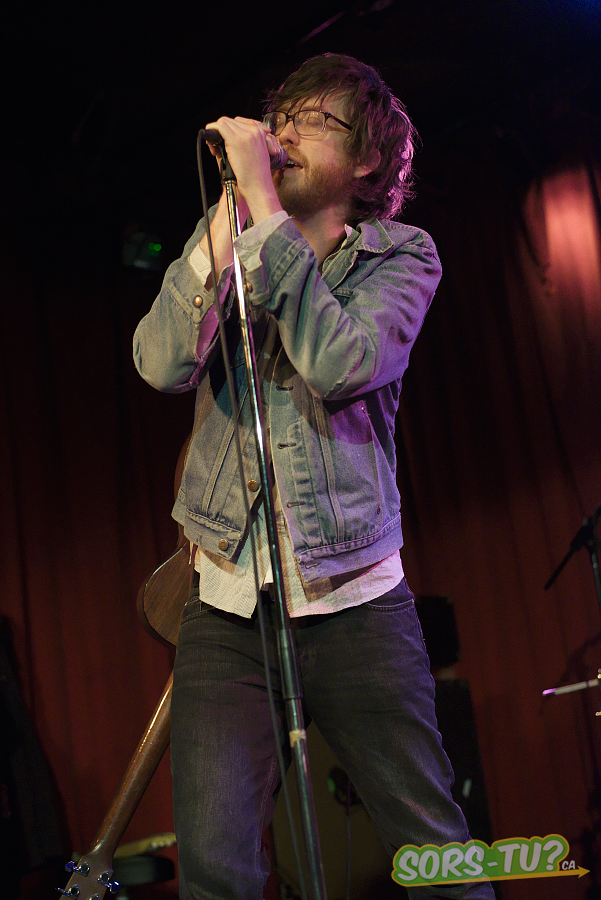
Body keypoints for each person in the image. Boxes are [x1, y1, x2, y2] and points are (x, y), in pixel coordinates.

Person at [134, 53, 494, 900]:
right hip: (226, 605)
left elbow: (339, 364)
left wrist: (263, 213)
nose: (284, 133)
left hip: (354, 601)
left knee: (433, 849)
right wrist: (228, 221)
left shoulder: (401, 256)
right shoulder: (229, 235)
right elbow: (158, 364)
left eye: (314, 121)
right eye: (281, 115)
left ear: (366, 160)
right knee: (216, 870)